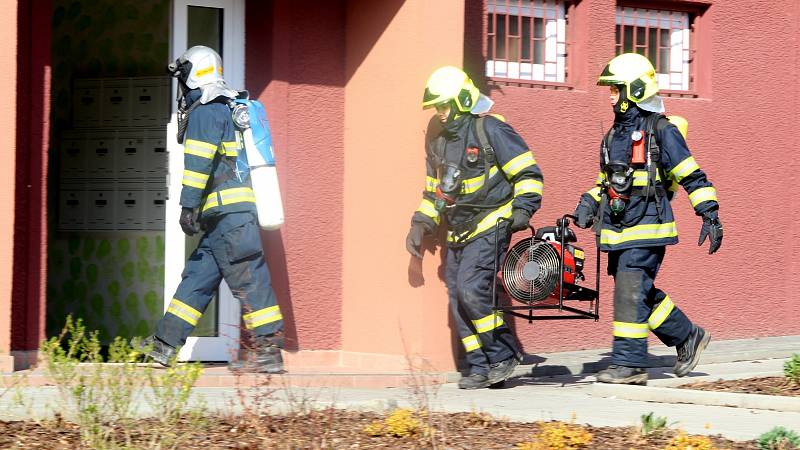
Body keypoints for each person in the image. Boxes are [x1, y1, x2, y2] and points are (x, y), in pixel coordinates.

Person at [573, 53, 723, 385]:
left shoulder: (662, 130)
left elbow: (691, 174)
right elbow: (607, 182)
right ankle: (687, 337)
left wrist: (709, 213)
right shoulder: (613, 136)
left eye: (615, 90)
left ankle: (629, 364)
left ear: (634, 91)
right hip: (618, 229)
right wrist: (587, 202)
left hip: (649, 225)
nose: (611, 97)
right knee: (637, 291)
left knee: (630, 289)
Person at [141, 46, 285, 373]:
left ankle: (269, 350)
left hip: (229, 217)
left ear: (196, 72)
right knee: (197, 279)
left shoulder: (207, 111)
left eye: (184, 76)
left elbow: (198, 164)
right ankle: (164, 344)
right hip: (224, 218)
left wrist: (187, 206)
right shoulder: (228, 107)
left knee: (249, 278)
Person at [406, 66, 544, 389]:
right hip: (457, 228)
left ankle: (503, 354)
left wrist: (523, 209)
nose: (439, 114)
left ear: (461, 101)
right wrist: (421, 223)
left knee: (471, 288)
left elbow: (528, 173)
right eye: (436, 107)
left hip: (493, 220)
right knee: (457, 295)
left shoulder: (491, 130)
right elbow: (435, 189)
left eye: (443, 106)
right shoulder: (437, 138)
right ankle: (480, 366)